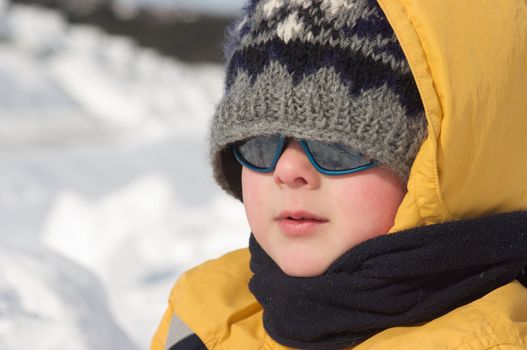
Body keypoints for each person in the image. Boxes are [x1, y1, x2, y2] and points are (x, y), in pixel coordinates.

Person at [151, 0, 527, 349]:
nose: (287, 170)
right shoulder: (202, 320)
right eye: (261, 141)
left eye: (340, 146)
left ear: (444, 169)